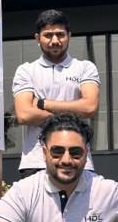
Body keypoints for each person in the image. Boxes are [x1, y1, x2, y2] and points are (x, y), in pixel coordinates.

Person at [13, 9, 100, 178]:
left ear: (69, 36)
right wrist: (73, 114)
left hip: (78, 159)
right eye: (48, 35)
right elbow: (24, 115)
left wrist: (42, 103)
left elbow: (89, 107)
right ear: (37, 38)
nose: (54, 40)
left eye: (60, 34)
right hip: (36, 160)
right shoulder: (26, 70)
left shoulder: (85, 68)